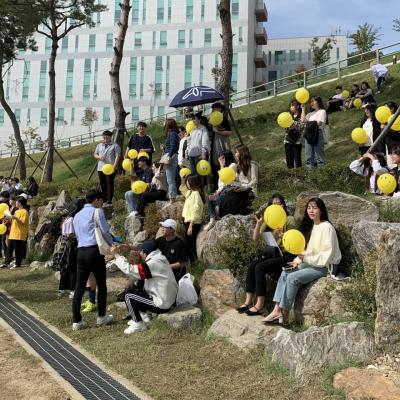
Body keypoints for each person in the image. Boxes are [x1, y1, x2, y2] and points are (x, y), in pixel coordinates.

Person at [263, 197, 341, 325]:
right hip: (313, 263)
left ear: (321, 210)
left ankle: (284, 314)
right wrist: (298, 260)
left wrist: (305, 258)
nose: (311, 210)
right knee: (285, 273)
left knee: (292, 277)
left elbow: (326, 256)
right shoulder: (314, 226)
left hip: (326, 266)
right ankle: (276, 309)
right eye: (309, 208)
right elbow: (308, 250)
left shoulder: (327, 227)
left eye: (314, 208)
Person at [237, 194, 297, 316]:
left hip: (287, 255)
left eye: (279, 203)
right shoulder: (268, 219)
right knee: (252, 265)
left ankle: (260, 305)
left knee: (260, 267)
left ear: (284, 205)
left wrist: (283, 235)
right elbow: (255, 238)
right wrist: (259, 223)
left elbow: (294, 242)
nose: (276, 206)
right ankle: (248, 301)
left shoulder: (289, 219)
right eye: (273, 204)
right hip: (273, 253)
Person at [112, 240, 178, 334]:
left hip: (162, 305)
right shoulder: (160, 257)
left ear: (145, 253)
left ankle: (138, 323)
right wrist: (132, 278)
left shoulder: (152, 263)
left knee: (128, 295)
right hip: (169, 300)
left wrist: (117, 256)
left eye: (141, 251)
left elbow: (130, 269)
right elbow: (140, 273)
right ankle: (143, 315)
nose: (140, 253)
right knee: (139, 284)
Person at [71, 189, 113, 331]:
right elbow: (105, 231)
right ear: (96, 200)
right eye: (101, 200)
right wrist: (113, 244)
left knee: (79, 287)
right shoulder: (97, 211)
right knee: (102, 284)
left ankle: (77, 321)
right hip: (94, 251)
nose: (101, 203)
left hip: (81, 252)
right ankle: (101, 317)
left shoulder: (76, 215)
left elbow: (77, 235)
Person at [54, 199, 85, 298]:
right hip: (71, 245)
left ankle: (62, 288)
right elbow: (70, 234)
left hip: (67, 244)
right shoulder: (72, 219)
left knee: (65, 267)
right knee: (72, 267)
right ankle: (72, 289)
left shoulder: (67, 218)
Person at [219, 144, 258, 217]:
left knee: (231, 199)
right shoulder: (238, 165)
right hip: (240, 189)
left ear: (242, 153)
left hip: (249, 190)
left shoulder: (252, 164)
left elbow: (254, 180)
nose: (235, 154)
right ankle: (225, 218)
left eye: (237, 152)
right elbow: (238, 179)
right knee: (226, 197)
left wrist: (244, 187)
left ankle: (236, 215)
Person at [204, 149, 237, 231]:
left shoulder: (232, 165)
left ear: (227, 157)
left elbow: (225, 180)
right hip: (222, 190)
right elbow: (220, 183)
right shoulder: (225, 167)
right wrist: (218, 191)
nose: (221, 160)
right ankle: (212, 219)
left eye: (222, 158)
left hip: (229, 189)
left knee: (218, 200)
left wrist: (221, 166)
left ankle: (220, 215)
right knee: (209, 198)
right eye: (220, 158)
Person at [181, 174, 205, 261]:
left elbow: (196, 210)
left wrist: (191, 225)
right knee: (188, 244)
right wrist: (182, 180)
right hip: (188, 222)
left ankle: (193, 263)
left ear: (193, 182)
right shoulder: (191, 193)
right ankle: (192, 263)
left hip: (192, 223)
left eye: (188, 181)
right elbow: (183, 190)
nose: (187, 183)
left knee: (190, 245)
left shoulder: (196, 194)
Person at [209, 102, 232, 191]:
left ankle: (224, 186)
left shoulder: (224, 119)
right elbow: (210, 133)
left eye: (215, 109)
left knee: (223, 163)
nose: (213, 111)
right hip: (214, 145)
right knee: (214, 166)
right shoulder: (212, 120)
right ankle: (216, 186)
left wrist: (218, 131)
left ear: (219, 109)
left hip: (223, 144)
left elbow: (229, 132)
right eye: (212, 109)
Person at [94, 130, 121, 204]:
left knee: (109, 183)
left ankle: (109, 200)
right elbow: (95, 154)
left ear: (110, 136)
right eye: (104, 135)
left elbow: (117, 156)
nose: (105, 137)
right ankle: (104, 199)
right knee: (102, 183)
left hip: (110, 168)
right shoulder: (99, 145)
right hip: (101, 167)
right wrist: (99, 157)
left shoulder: (115, 145)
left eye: (107, 135)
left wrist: (114, 167)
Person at [1, 196, 29, 269]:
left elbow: (23, 222)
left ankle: (17, 264)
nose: (15, 203)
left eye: (17, 202)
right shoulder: (16, 211)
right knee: (9, 249)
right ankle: (6, 263)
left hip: (19, 233)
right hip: (13, 232)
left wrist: (15, 218)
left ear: (20, 203)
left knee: (17, 250)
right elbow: (13, 221)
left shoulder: (25, 212)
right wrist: (8, 218)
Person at [302, 96, 327, 170]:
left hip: (317, 133)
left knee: (319, 158)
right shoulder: (310, 114)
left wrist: (308, 123)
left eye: (313, 101)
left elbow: (318, 123)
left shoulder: (322, 111)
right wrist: (303, 109)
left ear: (318, 102)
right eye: (311, 101)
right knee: (308, 158)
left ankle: (321, 178)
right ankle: (310, 178)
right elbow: (303, 120)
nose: (311, 103)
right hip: (308, 134)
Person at [160, 118, 180, 202]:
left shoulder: (172, 134)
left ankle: (172, 195)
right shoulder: (172, 134)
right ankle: (171, 194)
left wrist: (169, 155)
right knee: (170, 178)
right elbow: (172, 146)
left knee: (170, 178)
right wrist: (164, 148)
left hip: (171, 156)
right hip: (171, 155)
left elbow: (173, 147)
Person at [284, 100, 304, 169]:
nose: (291, 107)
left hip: (297, 142)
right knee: (289, 162)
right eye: (290, 106)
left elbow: (301, 127)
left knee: (298, 162)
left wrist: (292, 123)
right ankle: (291, 178)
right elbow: (285, 127)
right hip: (288, 141)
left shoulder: (301, 116)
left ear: (297, 106)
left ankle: (300, 178)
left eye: (292, 105)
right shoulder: (288, 116)